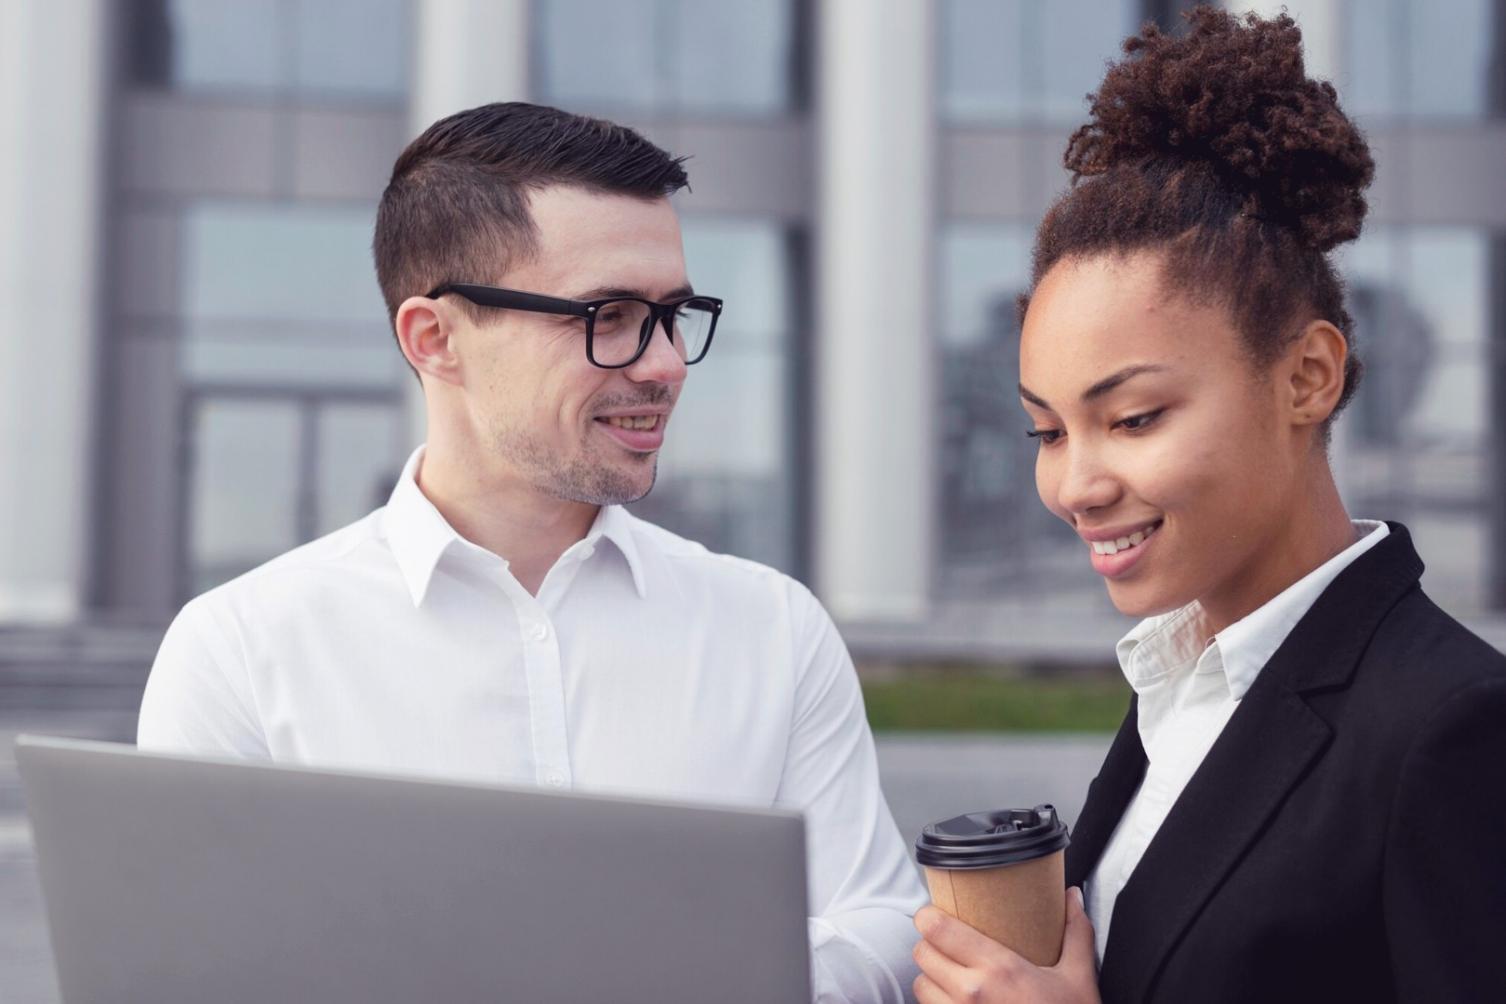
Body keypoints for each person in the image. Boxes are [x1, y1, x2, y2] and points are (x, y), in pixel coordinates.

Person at [138, 102, 925, 1002]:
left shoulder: (771, 627)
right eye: (610, 315)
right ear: (435, 340)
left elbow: (884, 929)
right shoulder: (240, 650)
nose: (666, 363)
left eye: (674, 315)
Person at [911, 8, 1506, 1003]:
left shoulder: (1453, 730)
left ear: (1308, 375)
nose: (1076, 484)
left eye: (1134, 417)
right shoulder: (1184, 687)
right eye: (1048, 431)